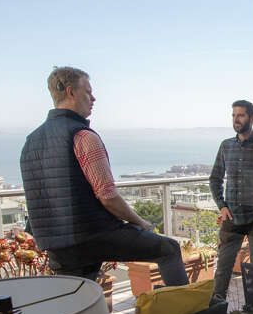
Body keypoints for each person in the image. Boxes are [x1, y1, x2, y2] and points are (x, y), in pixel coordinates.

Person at [20, 66, 188, 286]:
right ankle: (186, 310)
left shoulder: (31, 142)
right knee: (168, 249)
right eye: (88, 92)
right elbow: (107, 196)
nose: (94, 98)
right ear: (71, 92)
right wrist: (141, 222)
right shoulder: (82, 136)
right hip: (90, 235)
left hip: (55, 242)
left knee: (79, 297)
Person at [209, 99, 253, 311]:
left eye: (240, 115)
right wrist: (221, 205)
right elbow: (215, 179)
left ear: (252, 118)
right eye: (233, 115)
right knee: (223, 267)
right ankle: (216, 310)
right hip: (232, 216)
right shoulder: (226, 146)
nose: (236, 120)